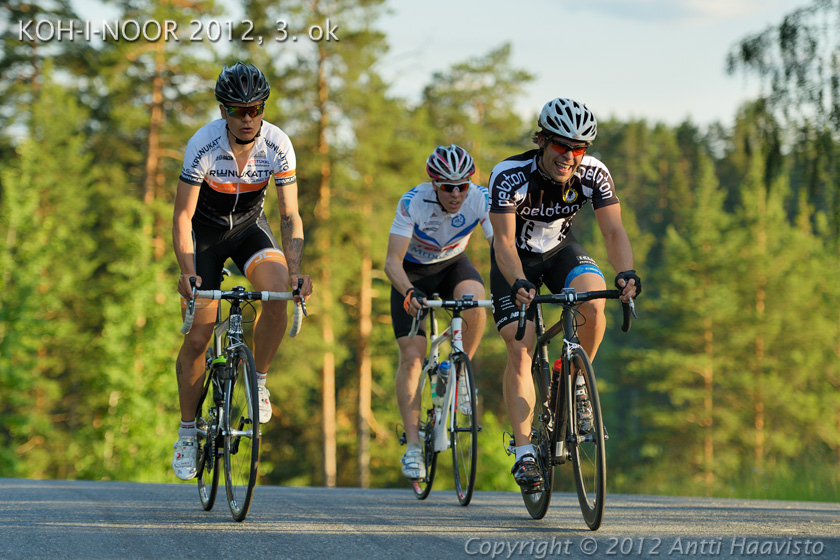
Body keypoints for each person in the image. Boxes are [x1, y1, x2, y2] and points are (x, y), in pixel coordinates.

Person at [488, 97, 641, 491]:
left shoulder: (594, 173)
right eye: (561, 145)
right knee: (520, 346)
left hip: (560, 252)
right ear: (541, 140)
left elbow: (613, 232)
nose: (569, 155)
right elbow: (503, 242)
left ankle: (570, 379)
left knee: (593, 302)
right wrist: (519, 281)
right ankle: (524, 453)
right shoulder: (509, 174)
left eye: (579, 147)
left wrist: (625, 273)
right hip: (515, 260)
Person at [171, 62, 313, 481]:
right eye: (238, 110)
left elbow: (290, 215)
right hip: (206, 237)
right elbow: (182, 215)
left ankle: (259, 381)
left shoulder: (278, 144)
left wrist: (296, 272)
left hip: (251, 230)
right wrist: (188, 270)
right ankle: (187, 432)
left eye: (256, 109)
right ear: (223, 110)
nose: (248, 118)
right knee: (199, 335)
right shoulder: (203, 144)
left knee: (277, 297)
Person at [384, 144, 493, 480]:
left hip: (452, 265)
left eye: (463, 185)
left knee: (475, 300)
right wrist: (409, 291)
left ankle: (459, 371)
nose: (457, 193)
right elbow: (391, 262)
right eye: (448, 187)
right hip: (411, 273)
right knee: (413, 357)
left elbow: (501, 247)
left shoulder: (480, 198)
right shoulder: (413, 201)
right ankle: (414, 447)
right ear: (434, 184)